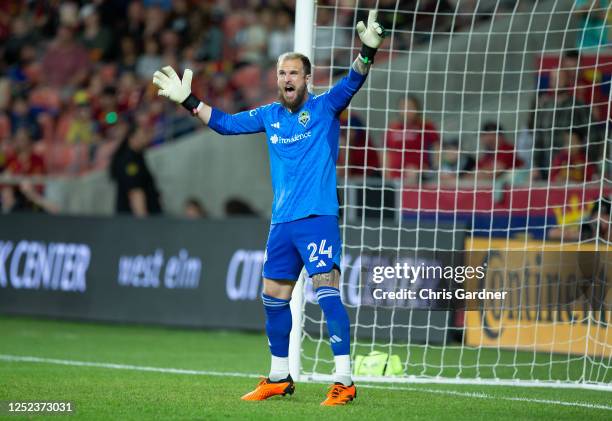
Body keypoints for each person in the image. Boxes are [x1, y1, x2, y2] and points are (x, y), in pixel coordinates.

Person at [153, 9, 385, 406]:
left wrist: (366, 51)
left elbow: (354, 80)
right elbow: (224, 123)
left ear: (307, 79)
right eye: (282, 74)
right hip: (282, 223)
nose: (287, 79)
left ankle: (344, 379)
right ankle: (279, 376)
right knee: (273, 296)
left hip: (317, 217)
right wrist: (189, 101)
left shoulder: (327, 106)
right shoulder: (269, 115)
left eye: (294, 73)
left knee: (325, 291)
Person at [109, 125, 162, 217]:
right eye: (142, 135)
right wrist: (142, 222)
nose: (145, 138)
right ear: (132, 138)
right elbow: (135, 191)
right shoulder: (129, 160)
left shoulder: (137, 156)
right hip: (133, 220)